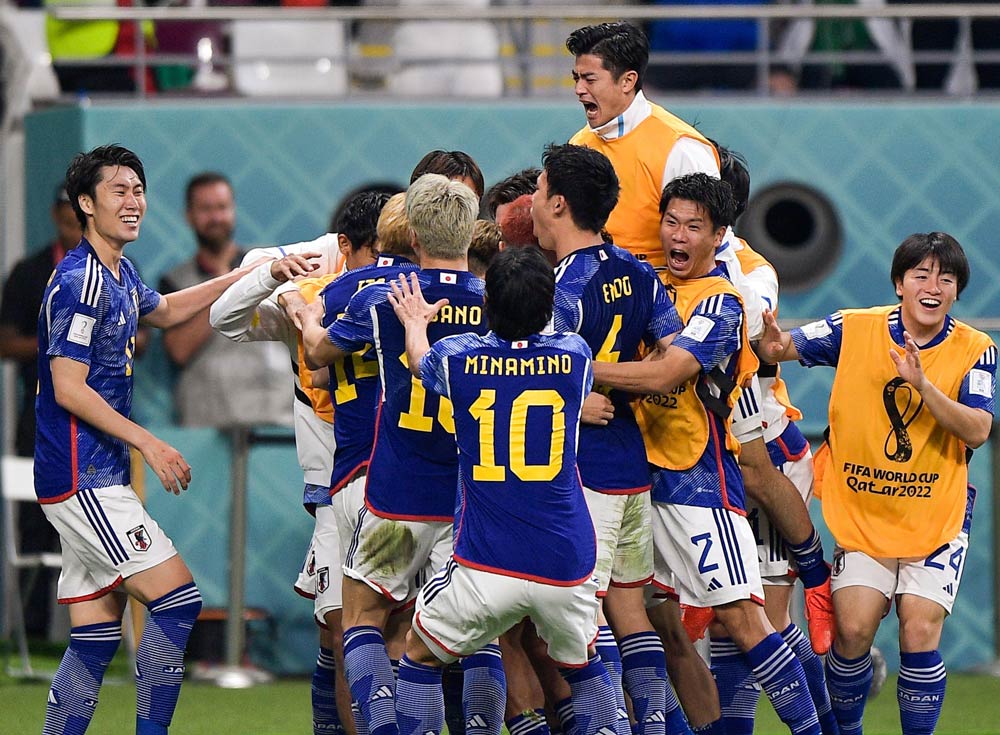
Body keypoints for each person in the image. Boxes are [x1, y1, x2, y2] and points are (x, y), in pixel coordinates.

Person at [33, 144, 287, 734]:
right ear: (86, 206)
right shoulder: (79, 282)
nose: (133, 201)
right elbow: (68, 389)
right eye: (118, 191)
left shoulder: (118, 271)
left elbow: (168, 310)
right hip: (82, 477)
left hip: (93, 476)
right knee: (177, 603)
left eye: (138, 189)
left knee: (95, 638)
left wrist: (250, 275)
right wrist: (150, 442)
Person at [592, 173, 822, 735]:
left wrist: (574, 368)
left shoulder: (724, 304)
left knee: (744, 619)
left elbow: (670, 372)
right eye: (670, 221)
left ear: (718, 235)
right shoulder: (647, 284)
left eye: (693, 226)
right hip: (637, 480)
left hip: (699, 482)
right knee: (656, 627)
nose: (678, 235)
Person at [756, 232, 995, 735]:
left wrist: (924, 387)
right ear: (899, 283)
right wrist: (771, 344)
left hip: (937, 517)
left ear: (956, 293)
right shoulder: (855, 327)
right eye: (921, 276)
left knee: (920, 625)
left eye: (946, 279)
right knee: (854, 630)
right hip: (865, 515)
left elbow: (978, 427)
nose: (933, 287)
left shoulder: (977, 350)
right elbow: (783, 346)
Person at [387, 246, 626, 735]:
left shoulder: (458, 360)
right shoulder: (574, 357)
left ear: (487, 304)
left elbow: (419, 361)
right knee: (586, 668)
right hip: (564, 561)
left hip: (485, 563)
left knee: (418, 655)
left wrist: (415, 321)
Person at [301, 174, 504, 735]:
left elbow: (318, 351)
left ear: (412, 234)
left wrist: (310, 317)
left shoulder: (381, 294)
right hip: (471, 496)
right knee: (475, 632)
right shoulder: (496, 298)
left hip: (398, 488)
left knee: (362, 618)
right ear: (471, 230)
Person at [209, 191, 393, 735]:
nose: (385, 267)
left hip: (402, 480)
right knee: (341, 630)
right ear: (344, 248)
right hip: (335, 486)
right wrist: (281, 285)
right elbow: (227, 311)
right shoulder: (315, 280)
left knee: (389, 636)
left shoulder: (409, 291)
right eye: (375, 253)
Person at [533, 143, 691, 735]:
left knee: (583, 611)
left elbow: (542, 367)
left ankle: (608, 728)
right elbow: (671, 348)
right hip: (632, 462)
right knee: (630, 607)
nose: (533, 202)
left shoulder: (562, 287)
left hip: (584, 470)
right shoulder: (638, 271)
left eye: (540, 190)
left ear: (559, 204)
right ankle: (650, 727)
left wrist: (576, 399)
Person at [705, 143, 839, 735]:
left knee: (752, 614)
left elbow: (754, 341)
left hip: (767, 446)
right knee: (742, 621)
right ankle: (831, 706)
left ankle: (831, 715)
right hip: (723, 451)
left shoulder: (752, 271)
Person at [566, 21, 719, 270]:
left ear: (627, 81)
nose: (578, 89)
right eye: (576, 78)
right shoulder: (577, 145)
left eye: (589, 79)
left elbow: (714, 246)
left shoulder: (681, 149)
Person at [159, 171, 291, 428]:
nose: (216, 217)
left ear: (233, 210)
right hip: (210, 421)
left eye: (222, 207)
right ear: (189, 216)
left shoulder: (268, 264)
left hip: (277, 418)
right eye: (206, 209)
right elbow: (179, 351)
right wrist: (225, 285)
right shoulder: (174, 282)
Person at [1, 185, 82, 457]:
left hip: (101, 414)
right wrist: (60, 343)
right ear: (55, 216)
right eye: (69, 223)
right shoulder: (28, 273)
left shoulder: (118, 269)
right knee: (36, 497)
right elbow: (6, 345)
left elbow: (139, 340)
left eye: (82, 224)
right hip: (41, 416)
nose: (76, 233)